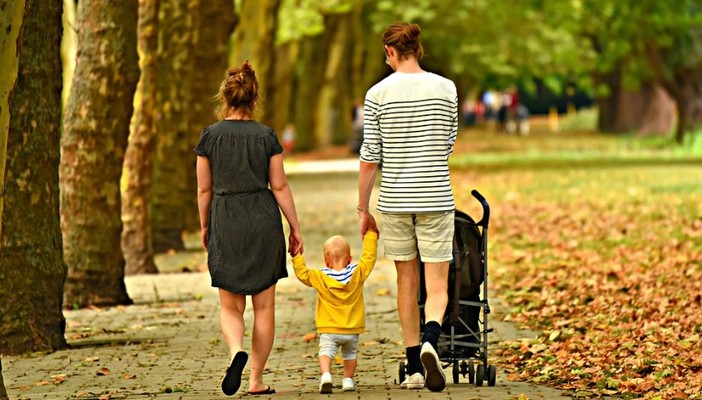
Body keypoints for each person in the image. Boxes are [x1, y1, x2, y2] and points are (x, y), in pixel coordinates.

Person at [357, 22, 458, 393]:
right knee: (437, 281)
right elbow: (448, 142)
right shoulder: (446, 89)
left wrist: (362, 207)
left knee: (406, 281)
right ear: (418, 48)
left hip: (395, 200)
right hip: (435, 196)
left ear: (390, 52)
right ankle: (433, 337)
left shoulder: (377, 94)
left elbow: (370, 157)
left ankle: (414, 366)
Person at [195, 60, 303, 396]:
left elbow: (203, 190)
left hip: (225, 217)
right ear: (254, 99)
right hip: (262, 217)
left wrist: (205, 226)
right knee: (265, 307)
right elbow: (281, 186)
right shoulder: (266, 135)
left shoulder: (209, 137)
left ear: (225, 98)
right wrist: (295, 228)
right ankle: (256, 380)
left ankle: (235, 351)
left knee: (230, 306)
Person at [291, 229, 379, 394]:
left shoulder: (320, 276)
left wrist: (297, 256)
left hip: (329, 329)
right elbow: (369, 259)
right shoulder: (357, 273)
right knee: (350, 355)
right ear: (350, 259)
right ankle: (348, 380)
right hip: (352, 329)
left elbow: (303, 275)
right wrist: (371, 236)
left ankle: (326, 375)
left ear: (326, 261)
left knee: (325, 352)